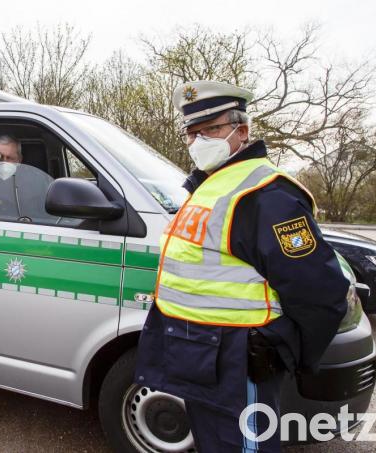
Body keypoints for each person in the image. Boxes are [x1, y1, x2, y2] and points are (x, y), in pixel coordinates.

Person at [134, 80, 349, 452]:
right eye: (192, 132)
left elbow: (321, 294)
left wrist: (284, 350)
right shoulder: (209, 185)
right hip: (201, 359)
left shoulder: (267, 196)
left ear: (242, 130)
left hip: (241, 362)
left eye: (212, 129)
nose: (200, 140)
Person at [0, 135, 53, 222]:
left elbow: (46, 218)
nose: (4, 162)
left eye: (9, 158)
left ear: (19, 160)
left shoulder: (37, 181)